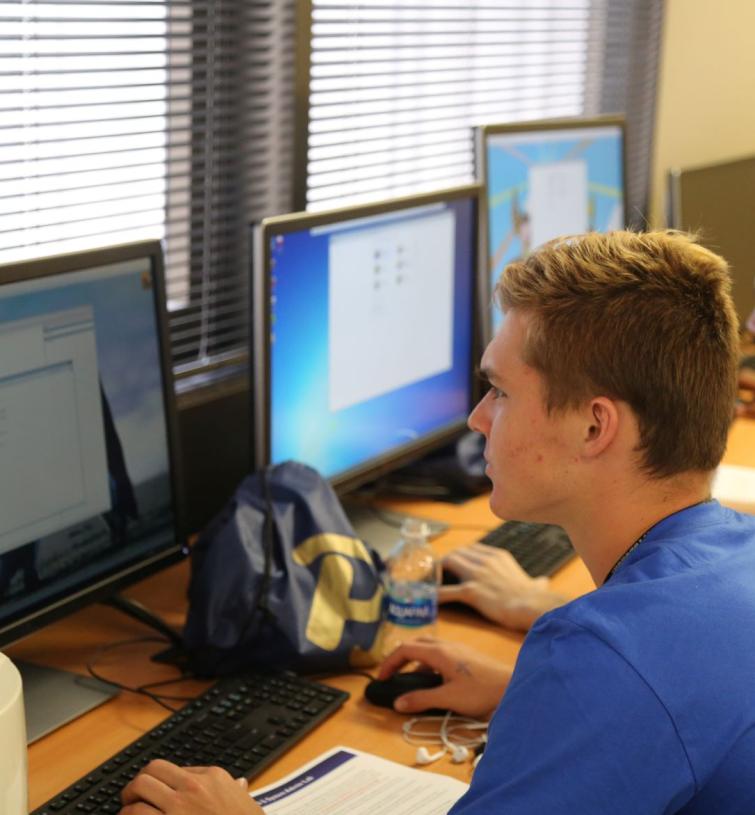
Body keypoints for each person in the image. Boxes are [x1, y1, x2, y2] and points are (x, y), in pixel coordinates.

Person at [120, 230, 755, 814]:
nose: (479, 418)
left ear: (594, 426)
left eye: (501, 392)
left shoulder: (604, 661)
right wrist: (532, 699)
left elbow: (641, 684)